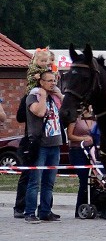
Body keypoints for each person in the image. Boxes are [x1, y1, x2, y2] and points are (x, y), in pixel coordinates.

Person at [23, 70, 63, 223]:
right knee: (35, 181)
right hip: (40, 144)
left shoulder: (54, 98)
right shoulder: (34, 96)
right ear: (41, 82)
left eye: (54, 80)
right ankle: (30, 212)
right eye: (49, 81)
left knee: (49, 181)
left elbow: (68, 111)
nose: (53, 83)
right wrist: (43, 95)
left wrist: (59, 95)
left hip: (55, 143)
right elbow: (39, 112)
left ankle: (45, 211)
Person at [67, 106, 94, 218]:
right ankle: (80, 208)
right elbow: (70, 135)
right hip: (77, 150)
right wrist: (83, 139)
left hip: (91, 151)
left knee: (95, 180)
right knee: (84, 179)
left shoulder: (94, 118)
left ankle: (94, 205)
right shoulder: (75, 118)